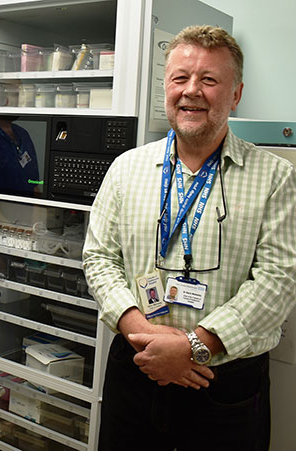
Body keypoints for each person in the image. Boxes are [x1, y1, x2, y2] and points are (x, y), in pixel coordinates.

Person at [82, 25, 296, 450]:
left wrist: (195, 346)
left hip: (224, 382)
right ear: (167, 86)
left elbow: (278, 280)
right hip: (136, 366)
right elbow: (99, 259)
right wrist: (142, 334)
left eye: (209, 80)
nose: (191, 91)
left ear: (235, 94)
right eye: (180, 78)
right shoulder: (126, 169)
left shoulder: (276, 177)